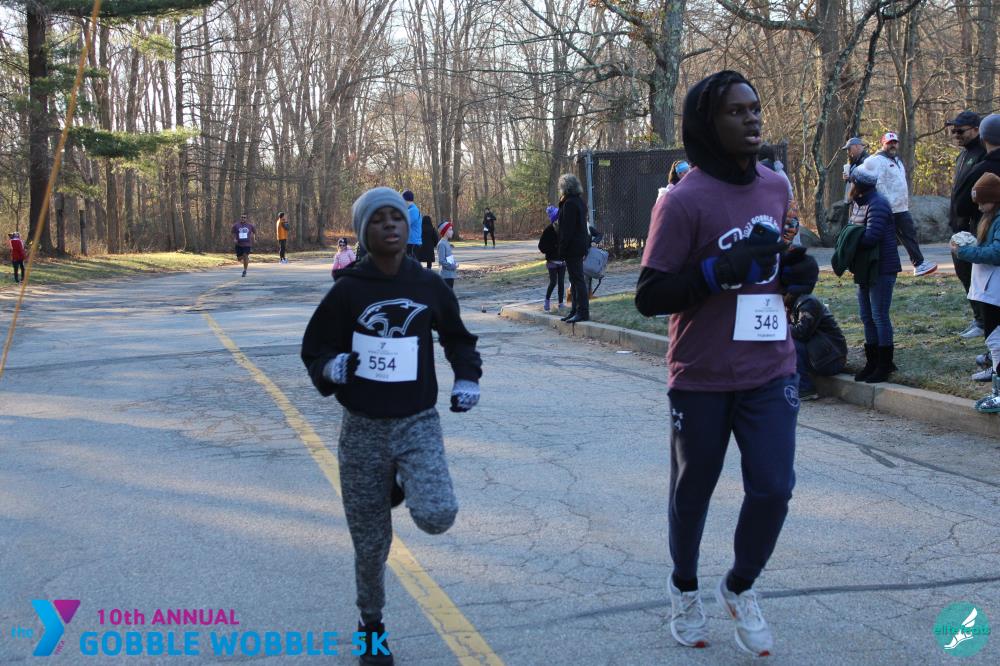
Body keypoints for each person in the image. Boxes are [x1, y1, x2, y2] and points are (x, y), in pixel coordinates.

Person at [634, 70, 818, 657]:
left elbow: (777, 258)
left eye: (755, 107)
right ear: (707, 124)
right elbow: (649, 295)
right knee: (693, 491)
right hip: (703, 374)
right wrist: (716, 273)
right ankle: (684, 587)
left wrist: (795, 274)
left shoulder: (775, 186)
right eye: (737, 111)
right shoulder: (682, 200)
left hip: (770, 366)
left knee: (774, 488)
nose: (752, 118)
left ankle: (739, 586)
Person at [301, 187, 481, 666]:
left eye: (396, 217)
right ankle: (371, 627)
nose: (389, 225)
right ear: (364, 232)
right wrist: (331, 368)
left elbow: (459, 338)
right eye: (378, 219)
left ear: (408, 226)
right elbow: (314, 349)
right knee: (370, 544)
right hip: (362, 430)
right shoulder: (348, 291)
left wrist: (467, 378)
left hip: (417, 422)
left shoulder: (428, 286)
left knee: (437, 515)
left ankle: (397, 484)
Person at [953, 171, 1000, 412]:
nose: (979, 207)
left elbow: (996, 253)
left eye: (983, 202)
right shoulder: (990, 219)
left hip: (995, 290)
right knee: (993, 338)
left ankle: (998, 391)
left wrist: (964, 252)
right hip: (988, 289)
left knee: (996, 338)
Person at [848, 166, 900, 383]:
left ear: (858, 185)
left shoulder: (878, 203)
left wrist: (849, 239)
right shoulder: (858, 203)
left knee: (879, 315)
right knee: (866, 316)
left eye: (852, 182)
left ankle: (884, 365)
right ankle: (872, 361)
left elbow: (871, 237)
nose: (850, 185)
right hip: (865, 268)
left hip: (882, 267)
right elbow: (852, 228)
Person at [861, 132, 938, 277]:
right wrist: (885, 204)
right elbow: (876, 182)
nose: (892, 145)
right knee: (886, 238)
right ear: (883, 143)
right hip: (889, 208)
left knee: (908, 235)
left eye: (894, 142)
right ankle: (870, 265)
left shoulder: (897, 160)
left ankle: (919, 264)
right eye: (889, 143)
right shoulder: (877, 160)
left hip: (901, 207)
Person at [948, 112, 988, 340]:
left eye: (960, 130)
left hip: (975, 224)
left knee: (976, 274)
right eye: (953, 130)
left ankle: (984, 320)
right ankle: (978, 318)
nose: (956, 135)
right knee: (963, 273)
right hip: (958, 226)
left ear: (976, 129)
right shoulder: (962, 156)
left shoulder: (983, 153)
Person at [786, 290, 847, 401]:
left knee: (789, 343)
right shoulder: (792, 304)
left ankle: (805, 388)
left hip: (832, 360)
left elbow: (801, 332)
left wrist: (781, 326)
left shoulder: (808, 302)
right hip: (819, 356)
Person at [557, 174, 591, 323]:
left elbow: (567, 230)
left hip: (573, 247)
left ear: (565, 187)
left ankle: (582, 312)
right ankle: (575, 310)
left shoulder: (569, 203)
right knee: (575, 279)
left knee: (577, 280)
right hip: (579, 245)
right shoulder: (578, 201)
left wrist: (562, 249)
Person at [537, 205, 565, 311]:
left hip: (562, 260)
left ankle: (561, 303)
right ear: (554, 219)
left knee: (561, 282)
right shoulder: (548, 230)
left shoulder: (563, 229)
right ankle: (547, 301)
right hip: (552, 261)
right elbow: (541, 246)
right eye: (557, 217)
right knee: (553, 282)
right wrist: (552, 248)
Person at [437, 220, 458, 288]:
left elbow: (449, 258)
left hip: (450, 274)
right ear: (445, 231)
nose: (452, 231)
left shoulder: (446, 242)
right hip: (445, 276)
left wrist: (454, 263)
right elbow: (441, 261)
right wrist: (452, 266)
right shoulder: (442, 244)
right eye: (450, 230)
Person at [402, 190, 422, 258]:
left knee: (411, 263)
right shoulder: (411, 210)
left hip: (412, 243)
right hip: (411, 242)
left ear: (405, 200)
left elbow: (403, 224)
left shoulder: (413, 210)